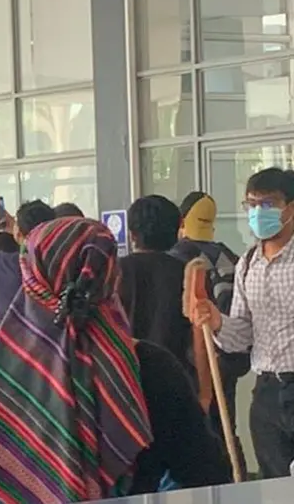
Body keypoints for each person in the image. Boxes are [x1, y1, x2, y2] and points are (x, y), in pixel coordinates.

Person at [0, 218, 231, 503]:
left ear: (31, 278)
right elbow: (206, 475)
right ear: (111, 275)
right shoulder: (149, 368)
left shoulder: (0, 374)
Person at [191, 168, 294, 479]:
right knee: (274, 485)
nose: (257, 212)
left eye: (267, 204)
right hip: (266, 394)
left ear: (290, 207)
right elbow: (241, 336)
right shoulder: (247, 264)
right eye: (251, 204)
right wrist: (217, 321)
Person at [169, 191, 248, 478]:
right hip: (231, 356)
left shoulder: (179, 258)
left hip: (196, 363)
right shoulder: (231, 256)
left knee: (202, 432)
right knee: (228, 426)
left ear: (183, 220)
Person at [117, 195, 193, 378]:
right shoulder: (187, 273)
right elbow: (198, 339)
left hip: (125, 380)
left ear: (132, 234)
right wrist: (205, 393)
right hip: (176, 380)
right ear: (176, 232)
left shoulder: (113, 272)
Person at [0, 199, 56, 326]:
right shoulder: (61, 262)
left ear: (18, 233)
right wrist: (13, 224)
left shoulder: (6, 264)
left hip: (13, 342)